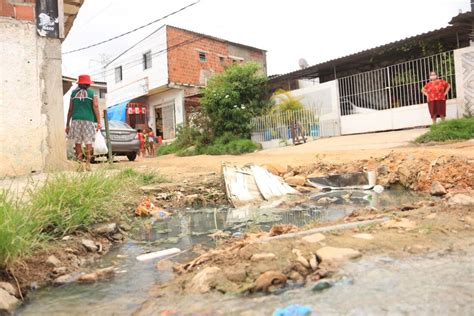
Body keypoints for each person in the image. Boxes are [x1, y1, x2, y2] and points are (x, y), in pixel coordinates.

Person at [65, 74, 101, 171]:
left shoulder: (73, 94)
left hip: (76, 120)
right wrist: (99, 122)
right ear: (88, 84)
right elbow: (96, 107)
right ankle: (88, 164)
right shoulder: (92, 94)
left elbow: (70, 110)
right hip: (88, 120)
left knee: (78, 142)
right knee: (88, 142)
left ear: (79, 84)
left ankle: (80, 165)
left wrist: (67, 124)